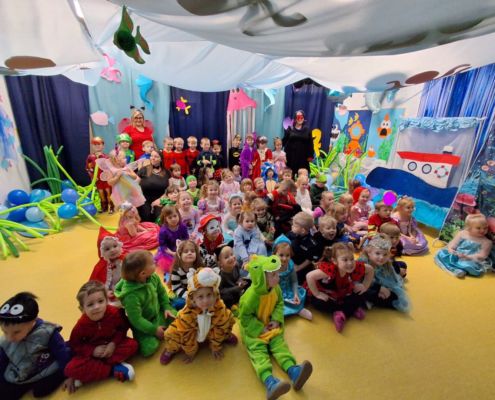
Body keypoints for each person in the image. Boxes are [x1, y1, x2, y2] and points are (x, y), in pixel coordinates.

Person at [239, 255, 313, 400]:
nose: (278, 277)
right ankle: (270, 382)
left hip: (270, 324)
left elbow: (279, 303)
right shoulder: (250, 297)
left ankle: (294, 371)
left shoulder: (275, 288)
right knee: (258, 352)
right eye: (273, 275)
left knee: (279, 345)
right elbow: (245, 318)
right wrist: (260, 329)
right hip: (254, 331)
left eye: (277, 273)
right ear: (262, 279)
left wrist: (276, 319)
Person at [63, 281, 138, 392]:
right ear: (82, 309)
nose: (97, 307)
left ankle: (99, 369)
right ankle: (113, 369)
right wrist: (92, 351)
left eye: (100, 301)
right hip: (92, 354)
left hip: (113, 348)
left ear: (106, 301)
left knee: (133, 345)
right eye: (90, 304)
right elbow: (75, 345)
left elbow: (122, 329)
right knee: (70, 369)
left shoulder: (114, 313)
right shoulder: (80, 326)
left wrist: (113, 343)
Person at [0, 292, 71, 399]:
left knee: (41, 391)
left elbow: (62, 353)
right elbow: (2, 361)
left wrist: (69, 375)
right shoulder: (6, 341)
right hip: (20, 372)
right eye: (5, 332)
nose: (10, 338)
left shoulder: (46, 332)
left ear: (32, 322)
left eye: (16, 332)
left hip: (45, 367)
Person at [160, 267, 236, 364]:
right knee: (173, 332)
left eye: (209, 295)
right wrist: (190, 352)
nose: (206, 301)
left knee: (227, 318)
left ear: (215, 294)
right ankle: (170, 349)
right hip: (193, 333)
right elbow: (186, 335)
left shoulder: (219, 307)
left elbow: (220, 327)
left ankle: (226, 336)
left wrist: (215, 347)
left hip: (209, 330)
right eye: (200, 297)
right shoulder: (187, 314)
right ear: (193, 299)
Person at [114, 250, 177, 357]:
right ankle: (151, 335)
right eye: (152, 263)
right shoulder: (131, 296)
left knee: (177, 318)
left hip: (158, 313)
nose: (155, 262)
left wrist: (166, 307)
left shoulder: (153, 277)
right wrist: (154, 330)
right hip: (144, 325)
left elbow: (162, 292)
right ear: (143, 273)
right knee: (149, 348)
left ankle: (163, 324)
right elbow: (136, 319)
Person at [306, 243, 374, 332]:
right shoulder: (330, 269)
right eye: (345, 260)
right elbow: (309, 276)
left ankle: (342, 312)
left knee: (360, 294)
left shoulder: (355, 266)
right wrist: (317, 293)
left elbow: (370, 269)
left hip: (344, 292)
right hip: (328, 293)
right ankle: (345, 311)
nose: (350, 263)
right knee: (318, 302)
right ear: (334, 261)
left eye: (352, 259)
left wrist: (365, 286)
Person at [359, 234, 409, 312]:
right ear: (369, 253)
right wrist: (379, 289)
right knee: (367, 293)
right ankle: (368, 301)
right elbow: (361, 282)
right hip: (367, 287)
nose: (381, 257)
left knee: (395, 297)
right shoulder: (363, 263)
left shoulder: (386, 263)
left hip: (380, 286)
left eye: (385, 254)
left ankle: (373, 300)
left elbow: (392, 278)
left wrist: (388, 288)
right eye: (377, 253)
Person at [435, 213, 493, 278]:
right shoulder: (462, 233)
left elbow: (482, 255)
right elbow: (453, 243)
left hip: (471, 259)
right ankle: (456, 269)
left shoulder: (486, 242)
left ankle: (459, 270)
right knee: (442, 253)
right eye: (478, 228)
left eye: (485, 228)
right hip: (457, 254)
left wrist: (468, 257)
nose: (482, 230)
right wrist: (451, 249)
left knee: (469, 265)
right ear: (469, 228)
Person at [272, 236, 312, 320]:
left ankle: (298, 309)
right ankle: (277, 314)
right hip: (274, 292)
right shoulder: (271, 266)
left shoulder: (290, 265)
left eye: (288, 255)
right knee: (273, 304)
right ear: (274, 254)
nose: (284, 258)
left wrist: (295, 294)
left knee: (297, 298)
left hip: (288, 290)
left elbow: (294, 281)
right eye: (281, 255)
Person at [90, 236, 125, 306]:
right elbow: (96, 284)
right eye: (107, 249)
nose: (112, 250)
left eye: (115, 246)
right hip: (111, 290)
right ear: (102, 252)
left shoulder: (125, 259)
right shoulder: (100, 267)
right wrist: (105, 291)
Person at [170, 240, 205, 309]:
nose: (189, 253)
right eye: (186, 251)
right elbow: (176, 288)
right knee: (179, 303)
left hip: (200, 292)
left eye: (192, 251)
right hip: (185, 293)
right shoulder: (177, 270)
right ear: (180, 255)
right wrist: (189, 296)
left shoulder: (200, 267)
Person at [137, 149, 170, 222]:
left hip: (161, 199)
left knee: (159, 217)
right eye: (151, 156)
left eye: (156, 156)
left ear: (161, 159)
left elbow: (170, 189)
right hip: (144, 199)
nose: (153, 158)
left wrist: (160, 200)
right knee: (146, 215)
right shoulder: (143, 170)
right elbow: (135, 186)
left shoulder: (167, 172)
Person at [155, 205, 189, 275]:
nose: (173, 219)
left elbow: (186, 238)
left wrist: (181, 248)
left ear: (178, 215)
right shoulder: (163, 231)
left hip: (181, 246)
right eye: (170, 217)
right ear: (165, 219)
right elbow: (163, 245)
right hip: (169, 250)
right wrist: (172, 253)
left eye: (175, 216)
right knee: (174, 266)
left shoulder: (182, 226)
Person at [287, 211, 319, 284]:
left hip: (302, 268)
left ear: (302, 230)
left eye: (295, 226)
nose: (292, 226)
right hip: (290, 261)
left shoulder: (311, 243)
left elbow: (309, 260)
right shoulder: (292, 234)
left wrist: (298, 267)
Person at [86, 136, 113, 214]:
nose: (97, 146)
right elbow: (88, 168)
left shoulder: (106, 157)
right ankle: (103, 207)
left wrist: (109, 176)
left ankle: (111, 207)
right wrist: (92, 177)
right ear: (92, 146)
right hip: (98, 180)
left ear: (103, 146)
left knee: (109, 193)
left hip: (106, 180)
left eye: (99, 144)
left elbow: (110, 168)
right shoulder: (90, 157)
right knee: (101, 194)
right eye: (95, 144)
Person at [217, 245, 250, 309]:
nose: (231, 258)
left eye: (232, 254)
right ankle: (233, 307)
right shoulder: (221, 276)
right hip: (230, 294)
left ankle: (244, 298)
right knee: (226, 298)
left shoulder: (236, 265)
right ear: (220, 263)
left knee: (249, 282)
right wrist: (236, 288)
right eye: (226, 257)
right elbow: (221, 291)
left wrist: (240, 280)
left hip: (237, 288)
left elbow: (238, 276)